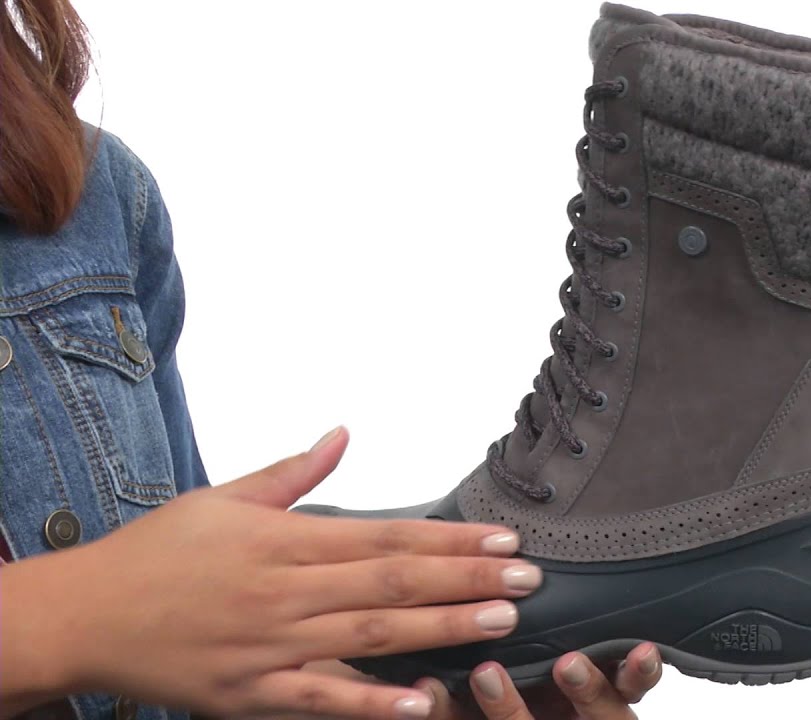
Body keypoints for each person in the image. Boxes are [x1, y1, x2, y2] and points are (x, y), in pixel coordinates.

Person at [0, 3, 662, 719]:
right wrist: (75, 618)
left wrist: (400, 671)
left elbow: (177, 634)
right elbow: (131, 606)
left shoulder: (89, 194)